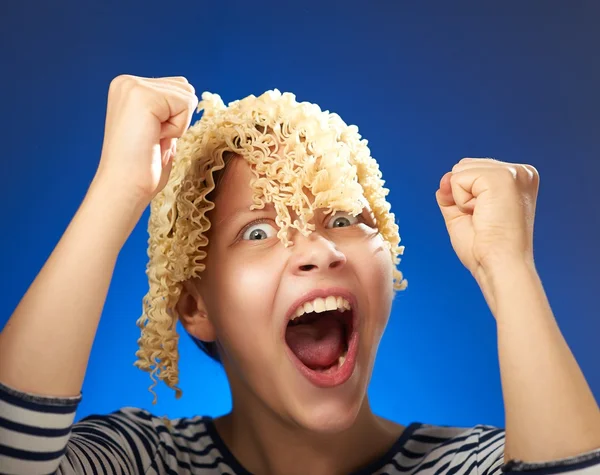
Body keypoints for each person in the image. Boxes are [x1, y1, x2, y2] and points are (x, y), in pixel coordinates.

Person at [0, 75, 598, 475]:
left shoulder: (471, 463)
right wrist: (117, 190)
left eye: (341, 218)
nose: (317, 251)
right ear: (193, 306)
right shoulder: (144, 460)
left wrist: (508, 269)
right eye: (257, 231)